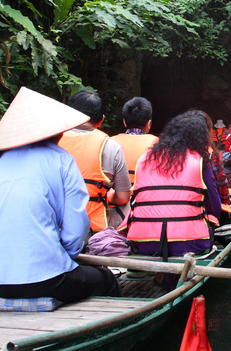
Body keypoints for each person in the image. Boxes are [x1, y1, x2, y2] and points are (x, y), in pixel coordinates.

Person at [0, 87, 121, 302]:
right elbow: (75, 231)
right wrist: (62, 257)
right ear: (55, 132)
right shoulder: (61, 160)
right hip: (42, 279)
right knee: (106, 279)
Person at [121, 110, 222, 260]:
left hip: (142, 244)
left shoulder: (144, 158)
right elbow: (215, 208)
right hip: (189, 244)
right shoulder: (200, 162)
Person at [58, 89, 132, 232]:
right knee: (129, 203)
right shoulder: (111, 146)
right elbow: (123, 197)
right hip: (94, 227)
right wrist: (108, 197)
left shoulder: (53, 140)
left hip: (56, 224)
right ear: (101, 120)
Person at [111, 97, 159, 188]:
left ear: (124, 122)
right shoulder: (158, 144)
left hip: (116, 197)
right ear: (149, 123)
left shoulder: (110, 142)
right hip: (144, 198)